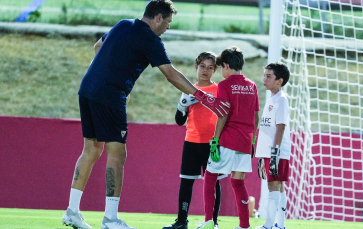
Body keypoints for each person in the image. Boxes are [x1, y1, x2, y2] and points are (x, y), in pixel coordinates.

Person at [61, 1, 230, 229]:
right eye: (168, 22)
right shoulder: (149, 38)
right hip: (110, 96)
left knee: (91, 149)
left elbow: (98, 46)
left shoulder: (122, 25)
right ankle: (110, 219)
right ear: (158, 18)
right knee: (117, 155)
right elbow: (171, 74)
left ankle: (72, 211)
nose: (168, 27)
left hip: (88, 89)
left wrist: (103, 74)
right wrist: (204, 97)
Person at [196, 47, 260, 229]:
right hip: (246, 141)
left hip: (228, 139)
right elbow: (256, 116)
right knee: (238, 182)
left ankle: (208, 221)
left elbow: (222, 114)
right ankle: (244, 225)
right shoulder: (252, 85)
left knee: (210, 176)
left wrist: (215, 140)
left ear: (225, 65)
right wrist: (253, 140)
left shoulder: (225, 85)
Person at [162, 52, 225, 229]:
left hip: (211, 144)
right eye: (202, 66)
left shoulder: (219, 90)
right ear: (196, 67)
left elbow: (225, 116)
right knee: (186, 182)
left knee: (213, 183)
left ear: (215, 70)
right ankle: (181, 221)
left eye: (210, 67)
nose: (205, 70)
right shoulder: (188, 89)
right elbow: (180, 121)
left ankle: (213, 222)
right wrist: (182, 105)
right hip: (191, 142)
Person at [255, 62, 291, 229]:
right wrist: (263, 154)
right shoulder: (272, 98)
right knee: (279, 185)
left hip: (276, 151)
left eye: (269, 76)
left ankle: (268, 225)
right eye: (265, 75)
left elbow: (281, 126)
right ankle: (280, 225)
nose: (264, 79)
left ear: (279, 81)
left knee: (273, 185)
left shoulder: (281, 100)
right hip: (271, 151)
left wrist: (275, 152)